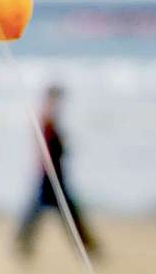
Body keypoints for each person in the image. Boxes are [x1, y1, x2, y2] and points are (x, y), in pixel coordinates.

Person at [13, 85, 97, 262]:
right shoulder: (45, 119)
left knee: (46, 213)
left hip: (53, 173)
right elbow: (47, 148)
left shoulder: (48, 118)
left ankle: (85, 245)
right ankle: (85, 246)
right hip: (50, 174)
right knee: (61, 213)